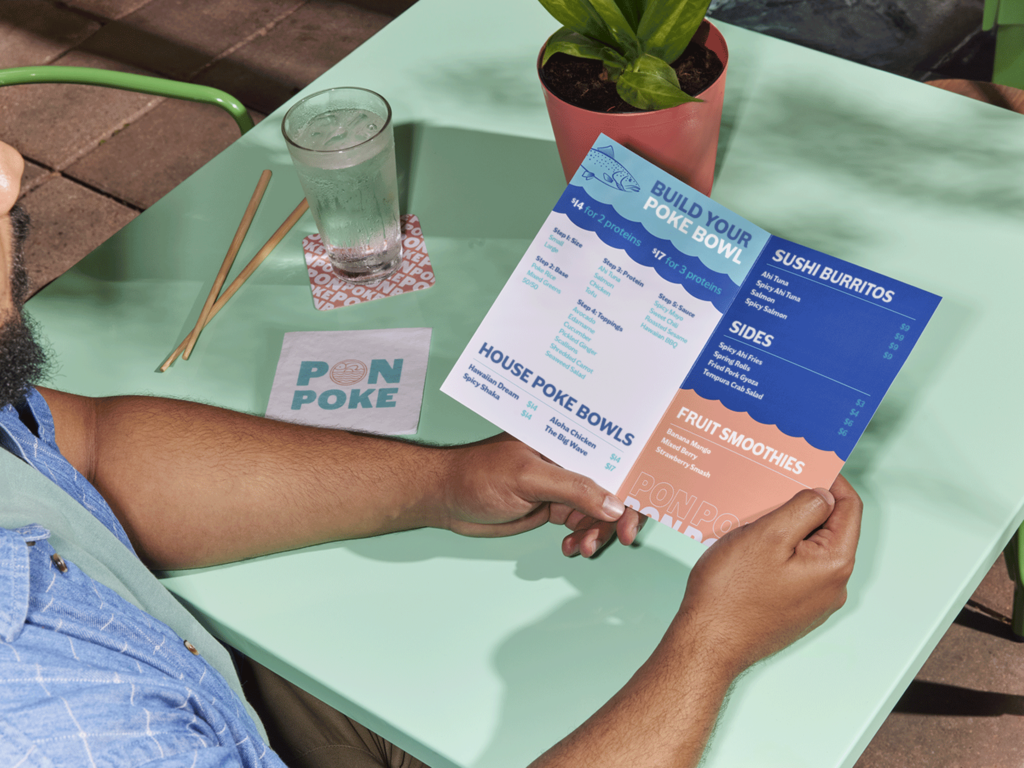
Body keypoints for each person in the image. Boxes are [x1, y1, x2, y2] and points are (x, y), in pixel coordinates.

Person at [0, 137, 862, 768]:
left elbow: (82, 444)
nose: (10, 167)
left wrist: (447, 480)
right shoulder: (66, 725)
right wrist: (711, 645)